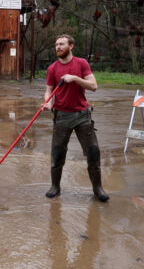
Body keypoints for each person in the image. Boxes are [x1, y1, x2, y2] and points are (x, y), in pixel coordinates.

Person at [43, 34, 109, 202]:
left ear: (71, 46)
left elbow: (94, 86)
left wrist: (75, 78)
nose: (58, 47)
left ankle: (98, 189)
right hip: (61, 116)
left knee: (93, 152)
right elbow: (49, 90)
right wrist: (48, 102)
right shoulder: (52, 68)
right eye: (56, 44)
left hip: (82, 115)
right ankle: (55, 186)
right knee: (57, 154)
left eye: (62, 44)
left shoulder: (81, 63)